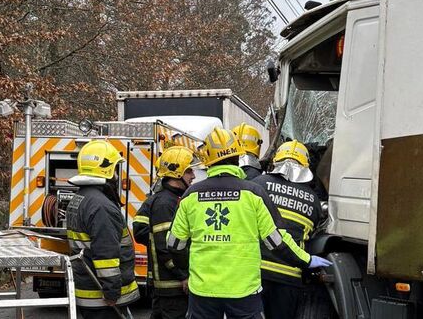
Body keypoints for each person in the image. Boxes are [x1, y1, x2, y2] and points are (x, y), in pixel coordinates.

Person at [167, 128, 331, 319]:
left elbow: (174, 244)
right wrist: (307, 260)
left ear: (208, 161)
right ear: (238, 157)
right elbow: (276, 241)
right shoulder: (253, 193)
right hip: (243, 291)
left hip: (203, 291)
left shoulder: (191, 195)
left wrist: (188, 269)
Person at [66, 139, 140, 318]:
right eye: (115, 169)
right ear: (106, 169)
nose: (116, 175)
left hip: (88, 289)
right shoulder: (101, 206)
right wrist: (112, 291)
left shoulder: (80, 199)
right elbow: (105, 255)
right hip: (103, 298)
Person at [252, 140, 323, 319]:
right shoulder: (313, 199)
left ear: (276, 160)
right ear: (305, 165)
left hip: (255, 272)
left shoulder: (257, 184)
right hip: (290, 275)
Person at [133, 145, 197, 319]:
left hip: (166, 287)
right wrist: (183, 276)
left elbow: (148, 234)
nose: (193, 176)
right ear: (177, 173)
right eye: (189, 171)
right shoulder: (165, 204)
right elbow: (165, 247)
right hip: (173, 287)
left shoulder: (170, 199)